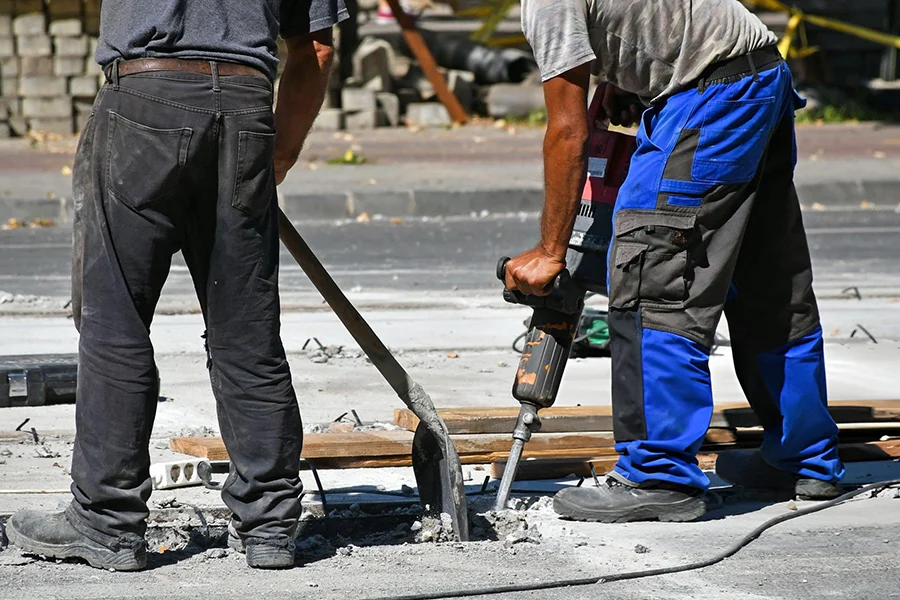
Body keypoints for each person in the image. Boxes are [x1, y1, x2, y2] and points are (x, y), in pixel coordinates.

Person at [7, 0, 347, 570]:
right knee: (246, 327)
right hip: (245, 106)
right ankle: (268, 524)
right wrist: (275, 154)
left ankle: (107, 521)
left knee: (115, 315)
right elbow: (315, 48)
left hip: (144, 100)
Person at [503, 0, 845, 523]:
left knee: (651, 280)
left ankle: (657, 476)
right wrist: (632, 78)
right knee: (767, 282)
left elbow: (567, 131)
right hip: (758, 74)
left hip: (708, 98)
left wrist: (550, 253)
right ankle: (803, 459)